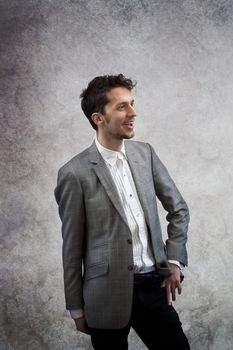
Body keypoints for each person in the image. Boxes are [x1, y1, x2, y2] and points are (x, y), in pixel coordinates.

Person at [54, 74, 190, 350]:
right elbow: (72, 247)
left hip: (154, 286)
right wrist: (76, 308)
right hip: (104, 295)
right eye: (122, 106)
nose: (133, 112)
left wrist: (174, 260)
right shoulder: (74, 174)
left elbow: (178, 209)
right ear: (98, 118)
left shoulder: (145, 154)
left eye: (132, 104)